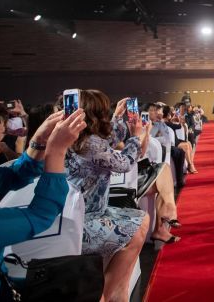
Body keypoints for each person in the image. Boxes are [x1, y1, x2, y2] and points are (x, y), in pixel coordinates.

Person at [0, 89, 86, 302]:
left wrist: (39, 139)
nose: (3, 125)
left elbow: (15, 175)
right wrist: (56, 151)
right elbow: (41, 215)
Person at [65, 90, 150, 302]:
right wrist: (137, 137)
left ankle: (117, 290)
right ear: (95, 114)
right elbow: (125, 163)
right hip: (83, 221)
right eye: (104, 110)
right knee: (139, 225)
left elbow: (108, 141)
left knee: (141, 221)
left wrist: (117, 118)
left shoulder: (74, 138)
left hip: (73, 215)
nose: (107, 113)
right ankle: (111, 292)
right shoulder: (91, 144)